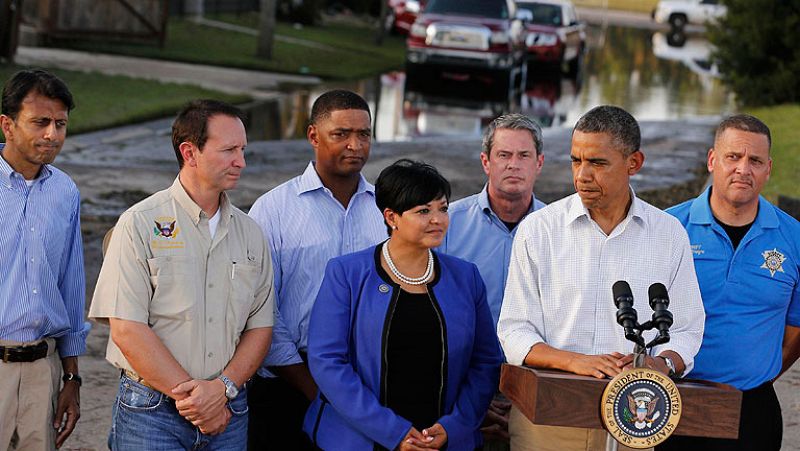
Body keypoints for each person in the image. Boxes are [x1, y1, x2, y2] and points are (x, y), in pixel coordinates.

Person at [497, 105, 705, 451]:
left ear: (634, 163)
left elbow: (687, 329)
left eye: (597, 163)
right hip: (548, 419)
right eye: (576, 161)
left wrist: (660, 363)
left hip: (635, 420)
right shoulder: (539, 230)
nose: (582, 176)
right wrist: (576, 362)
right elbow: (514, 330)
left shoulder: (668, 234)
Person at [89, 99, 274, 449]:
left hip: (227, 411)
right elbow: (127, 328)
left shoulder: (251, 233)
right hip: (150, 413)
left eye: (243, 150)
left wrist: (221, 390)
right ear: (190, 152)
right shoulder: (139, 224)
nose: (242, 162)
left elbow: (261, 326)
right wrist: (197, 402)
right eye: (229, 150)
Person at [304, 159, 502, 450]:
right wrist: (393, 432)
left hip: (442, 440)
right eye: (423, 211)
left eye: (443, 208)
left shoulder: (466, 277)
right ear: (391, 217)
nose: (438, 219)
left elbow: (485, 361)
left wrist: (455, 426)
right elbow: (327, 361)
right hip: (360, 439)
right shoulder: (347, 273)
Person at [246, 89, 386, 449]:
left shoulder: (387, 212)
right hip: (287, 385)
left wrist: (349, 394)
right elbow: (261, 310)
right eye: (341, 134)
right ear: (313, 136)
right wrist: (315, 389)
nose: (355, 145)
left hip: (366, 384)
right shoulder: (272, 210)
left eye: (364, 134)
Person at [657, 114, 800, 451]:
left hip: (752, 408)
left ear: (768, 168)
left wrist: (759, 373)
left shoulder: (793, 238)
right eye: (733, 157)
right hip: (673, 403)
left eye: (755, 160)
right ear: (712, 160)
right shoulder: (667, 229)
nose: (743, 169)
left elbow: (796, 328)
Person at [439, 113, 545, 444]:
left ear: (539, 163)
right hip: (458, 392)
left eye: (524, 155)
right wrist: (468, 403)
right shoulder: (446, 225)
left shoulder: (560, 232)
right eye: (504, 155)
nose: (514, 164)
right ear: (486, 162)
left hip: (535, 394)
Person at [0, 69, 88, 451]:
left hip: (43, 369)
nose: (52, 134)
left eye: (60, 124)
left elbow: (71, 285)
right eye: (40, 122)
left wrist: (71, 379)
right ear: (7, 124)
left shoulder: (65, 192)